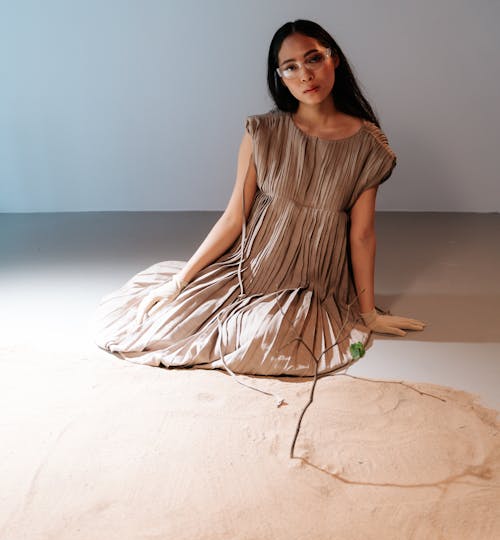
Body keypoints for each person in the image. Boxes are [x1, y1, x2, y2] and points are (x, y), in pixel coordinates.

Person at [93, 19, 425, 377]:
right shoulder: (263, 132)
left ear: (334, 59)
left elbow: (361, 235)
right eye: (291, 67)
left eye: (313, 59)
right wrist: (180, 281)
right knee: (165, 327)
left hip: (312, 283)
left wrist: (367, 312)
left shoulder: (368, 145)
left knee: (264, 343)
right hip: (248, 270)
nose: (305, 75)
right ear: (280, 76)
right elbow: (235, 216)